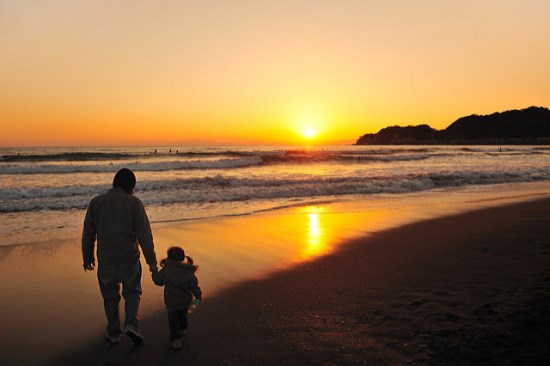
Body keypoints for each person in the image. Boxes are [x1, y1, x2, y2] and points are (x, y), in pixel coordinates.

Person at [82, 168, 158, 345]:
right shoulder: (134, 203)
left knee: (110, 298)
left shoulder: (96, 202)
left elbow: (88, 233)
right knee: (132, 293)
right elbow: (144, 235)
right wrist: (152, 262)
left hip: (106, 261)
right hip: (129, 259)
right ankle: (131, 325)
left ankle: (113, 332)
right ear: (131, 186)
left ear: (114, 183)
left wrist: (87, 257)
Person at [152, 246, 202, 350]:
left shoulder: (166, 271)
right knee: (183, 316)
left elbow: (158, 281)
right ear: (183, 257)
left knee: (173, 321)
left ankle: (175, 340)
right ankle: (183, 329)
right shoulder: (188, 271)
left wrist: (154, 270)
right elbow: (194, 285)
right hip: (185, 301)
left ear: (168, 258)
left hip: (171, 302)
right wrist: (198, 295)